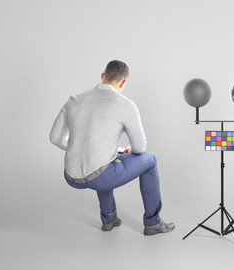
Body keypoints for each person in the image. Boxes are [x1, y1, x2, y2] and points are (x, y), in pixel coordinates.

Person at [50, 60, 174, 235]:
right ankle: (153, 222)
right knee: (150, 160)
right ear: (123, 82)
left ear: (102, 76)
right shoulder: (125, 104)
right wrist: (130, 150)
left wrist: (83, 148)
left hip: (70, 176)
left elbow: (55, 138)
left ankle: (109, 219)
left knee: (107, 159)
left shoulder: (73, 100)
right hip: (100, 176)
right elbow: (139, 148)